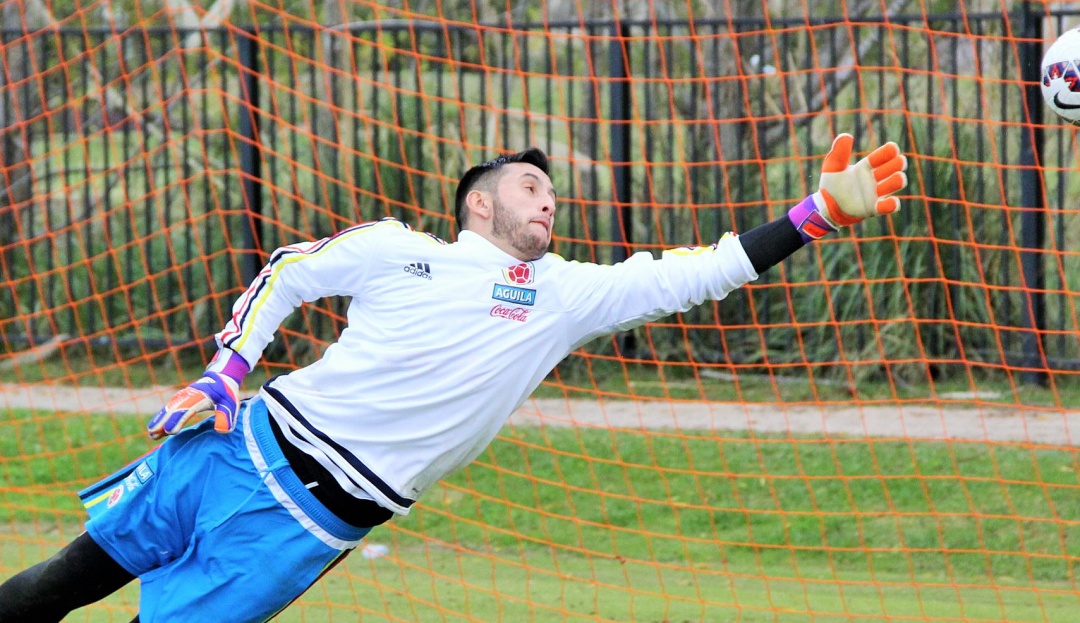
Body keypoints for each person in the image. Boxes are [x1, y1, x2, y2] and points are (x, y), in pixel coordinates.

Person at [0, 133, 907, 622]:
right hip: (233, 446)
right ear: (480, 202)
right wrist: (229, 369)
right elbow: (288, 269)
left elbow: (694, 272)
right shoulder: (403, 249)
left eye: (551, 191)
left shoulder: (566, 295)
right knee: (59, 583)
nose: (546, 197)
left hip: (313, 520)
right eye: (527, 185)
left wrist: (816, 214)